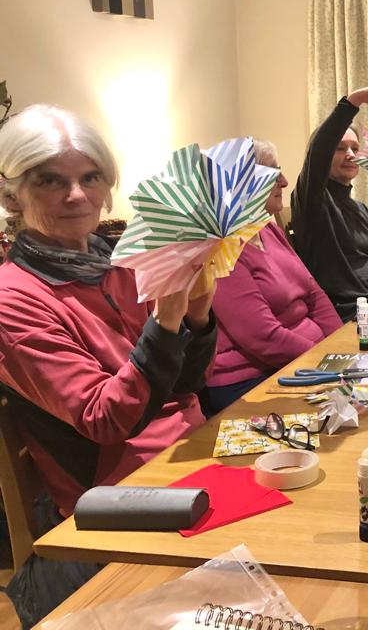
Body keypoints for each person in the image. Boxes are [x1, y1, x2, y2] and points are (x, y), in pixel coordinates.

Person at [0, 104, 217, 625]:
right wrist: (166, 322)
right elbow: (105, 419)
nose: (77, 195)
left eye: (90, 177)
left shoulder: (119, 262)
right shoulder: (13, 299)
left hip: (188, 453)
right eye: (51, 181)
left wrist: (198, 314)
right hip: (124, 493)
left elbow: (183, 384)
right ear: (11, 197)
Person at [202, 140, 341, 416]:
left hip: (304, 362)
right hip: (252, 380)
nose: (284, 182)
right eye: (273, 174)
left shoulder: (268, 228)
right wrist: (327, 362)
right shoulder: (221, 246)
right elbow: (263, 338)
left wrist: (342, 347)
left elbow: (314, 294)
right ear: (242, 183)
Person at [290, 83, 368, 322]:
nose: (351, 155)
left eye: (355, 148)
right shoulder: (312, 201)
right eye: (340, 149)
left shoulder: (362, 210)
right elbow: (318, 152)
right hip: (353, 316)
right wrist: (354, 101)